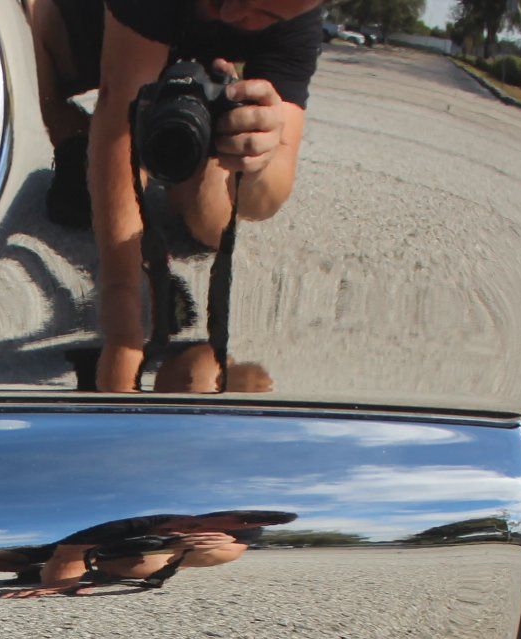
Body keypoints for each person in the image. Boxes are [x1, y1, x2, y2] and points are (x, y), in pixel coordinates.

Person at [31, 0, 326, 392]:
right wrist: (124, 323)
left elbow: (267, 197)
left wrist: (256, 158)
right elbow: (119, 106)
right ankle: (72, 135)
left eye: (262, 14)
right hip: (85, 38)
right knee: (28, 33)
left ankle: (186, 146)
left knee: (214, 223)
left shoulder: (297, 25)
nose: (228, 15)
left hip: (184, 87)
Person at [0, 510, 296, 597]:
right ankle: (18, 566)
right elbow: (67, 554)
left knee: (150, 559)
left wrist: (215, 545)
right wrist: (54, 585)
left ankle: (33, 572)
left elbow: (235, 548)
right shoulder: (132, 524)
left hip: (117, 561)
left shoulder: (238, 531)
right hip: (59, 550)